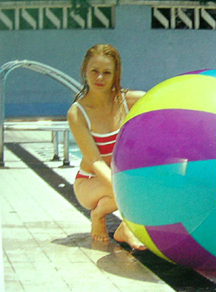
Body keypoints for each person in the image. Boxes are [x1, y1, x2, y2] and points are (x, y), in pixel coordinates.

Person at [67, 44, 146, 250]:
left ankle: (114, 222)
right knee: (134, 185)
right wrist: (123, 186)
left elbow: (165, 100)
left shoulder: (128, 100)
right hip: (89, 183)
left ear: (115, 75)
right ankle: (107, 218)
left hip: (117, 177)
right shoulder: (77, 113)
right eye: (94, 71)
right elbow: (94, 161)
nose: (99, 78)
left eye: (106, 72)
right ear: (85, 70)